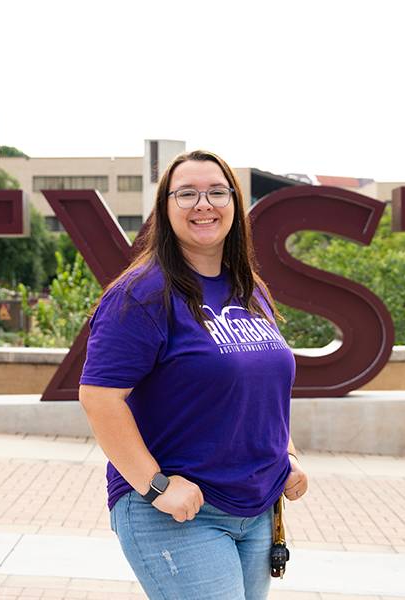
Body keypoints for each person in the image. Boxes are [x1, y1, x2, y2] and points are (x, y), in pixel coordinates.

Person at [79, 150, 309, 599]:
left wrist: (289, 454)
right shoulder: (141, 294)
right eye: (186, 194)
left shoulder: (250, 289)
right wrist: (156, 484)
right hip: (178, 511)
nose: (204, 204)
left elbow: (262, 386)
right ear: (164, 209)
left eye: (216, 192)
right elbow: (99, 397)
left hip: (257, 509)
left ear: (234, 205)